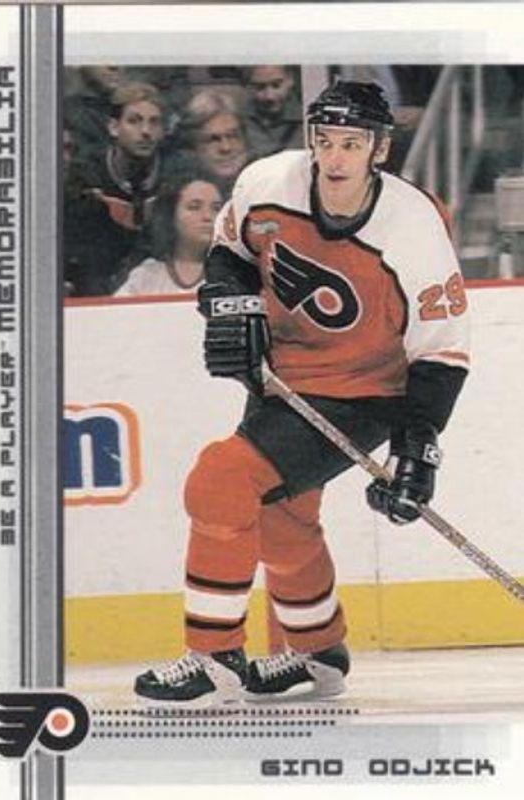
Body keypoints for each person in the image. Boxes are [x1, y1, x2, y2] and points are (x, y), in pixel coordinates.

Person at [133, 80, 470, 705]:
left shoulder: (414, 224)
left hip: (366, 393)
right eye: (326, 141)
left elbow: (441, 351)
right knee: (281, 516)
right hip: (283, 379)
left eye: (352, 144)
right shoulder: (267, 182)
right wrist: (229, 302)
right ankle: (318, 653)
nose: (335, 158)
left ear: (379, 150)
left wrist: (415, 450)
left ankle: (213, 658)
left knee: (221, 481)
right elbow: (231, 254)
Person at [64, 82, 170, 295]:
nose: (146, 131)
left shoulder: (175, 174)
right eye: (134, 121)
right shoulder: (84, 175)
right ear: (114, 127)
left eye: (154, 122)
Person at [115, 173, 223, 295]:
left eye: (216, 208)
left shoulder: (234, 274)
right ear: (171, 215)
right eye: (194, 207)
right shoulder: (146, 276)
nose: (208, 216)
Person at [173, 89, 251, 199]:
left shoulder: (265, 186)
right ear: (193, 147)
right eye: (213, 139)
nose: (226, 147)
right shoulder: (176, 197)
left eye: (232, 136)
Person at [242, 65, 304, 158]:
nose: (269, 96)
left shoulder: (308, 118)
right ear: (248, 87)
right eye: (260, 87)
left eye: (276, 85)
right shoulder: (239, 122)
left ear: (290, 80)